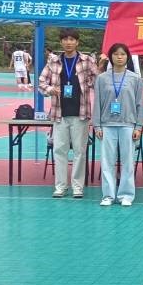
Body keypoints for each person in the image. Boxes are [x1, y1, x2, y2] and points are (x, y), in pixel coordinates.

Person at [38, 29, 101, 198]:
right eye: (65, 39)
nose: (68, 42)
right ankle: (60, 186)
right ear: (61, 42)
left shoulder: (87, 60)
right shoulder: (53, 61)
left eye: (72, 39)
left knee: (80, 151)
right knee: (59, 150)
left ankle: (77, 187)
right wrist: (50, 89)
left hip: (81, 113)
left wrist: (92, 78)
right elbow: (41, 82)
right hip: (59, 113)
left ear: (77, 42)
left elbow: (98, 81)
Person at [93, 43, 143, 207]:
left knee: (128, 161)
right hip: (107, 124)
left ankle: (126, 195)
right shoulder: (102, 78)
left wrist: (138, 126)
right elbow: (97, 103)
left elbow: (139, 104)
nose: (119, 57)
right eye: (116, 54)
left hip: (128, 124)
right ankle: (108, 195)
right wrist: (97, 125)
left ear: (127, 57)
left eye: (122, 54)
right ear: (111, 57)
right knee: (107, 161)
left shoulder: (135, 78)